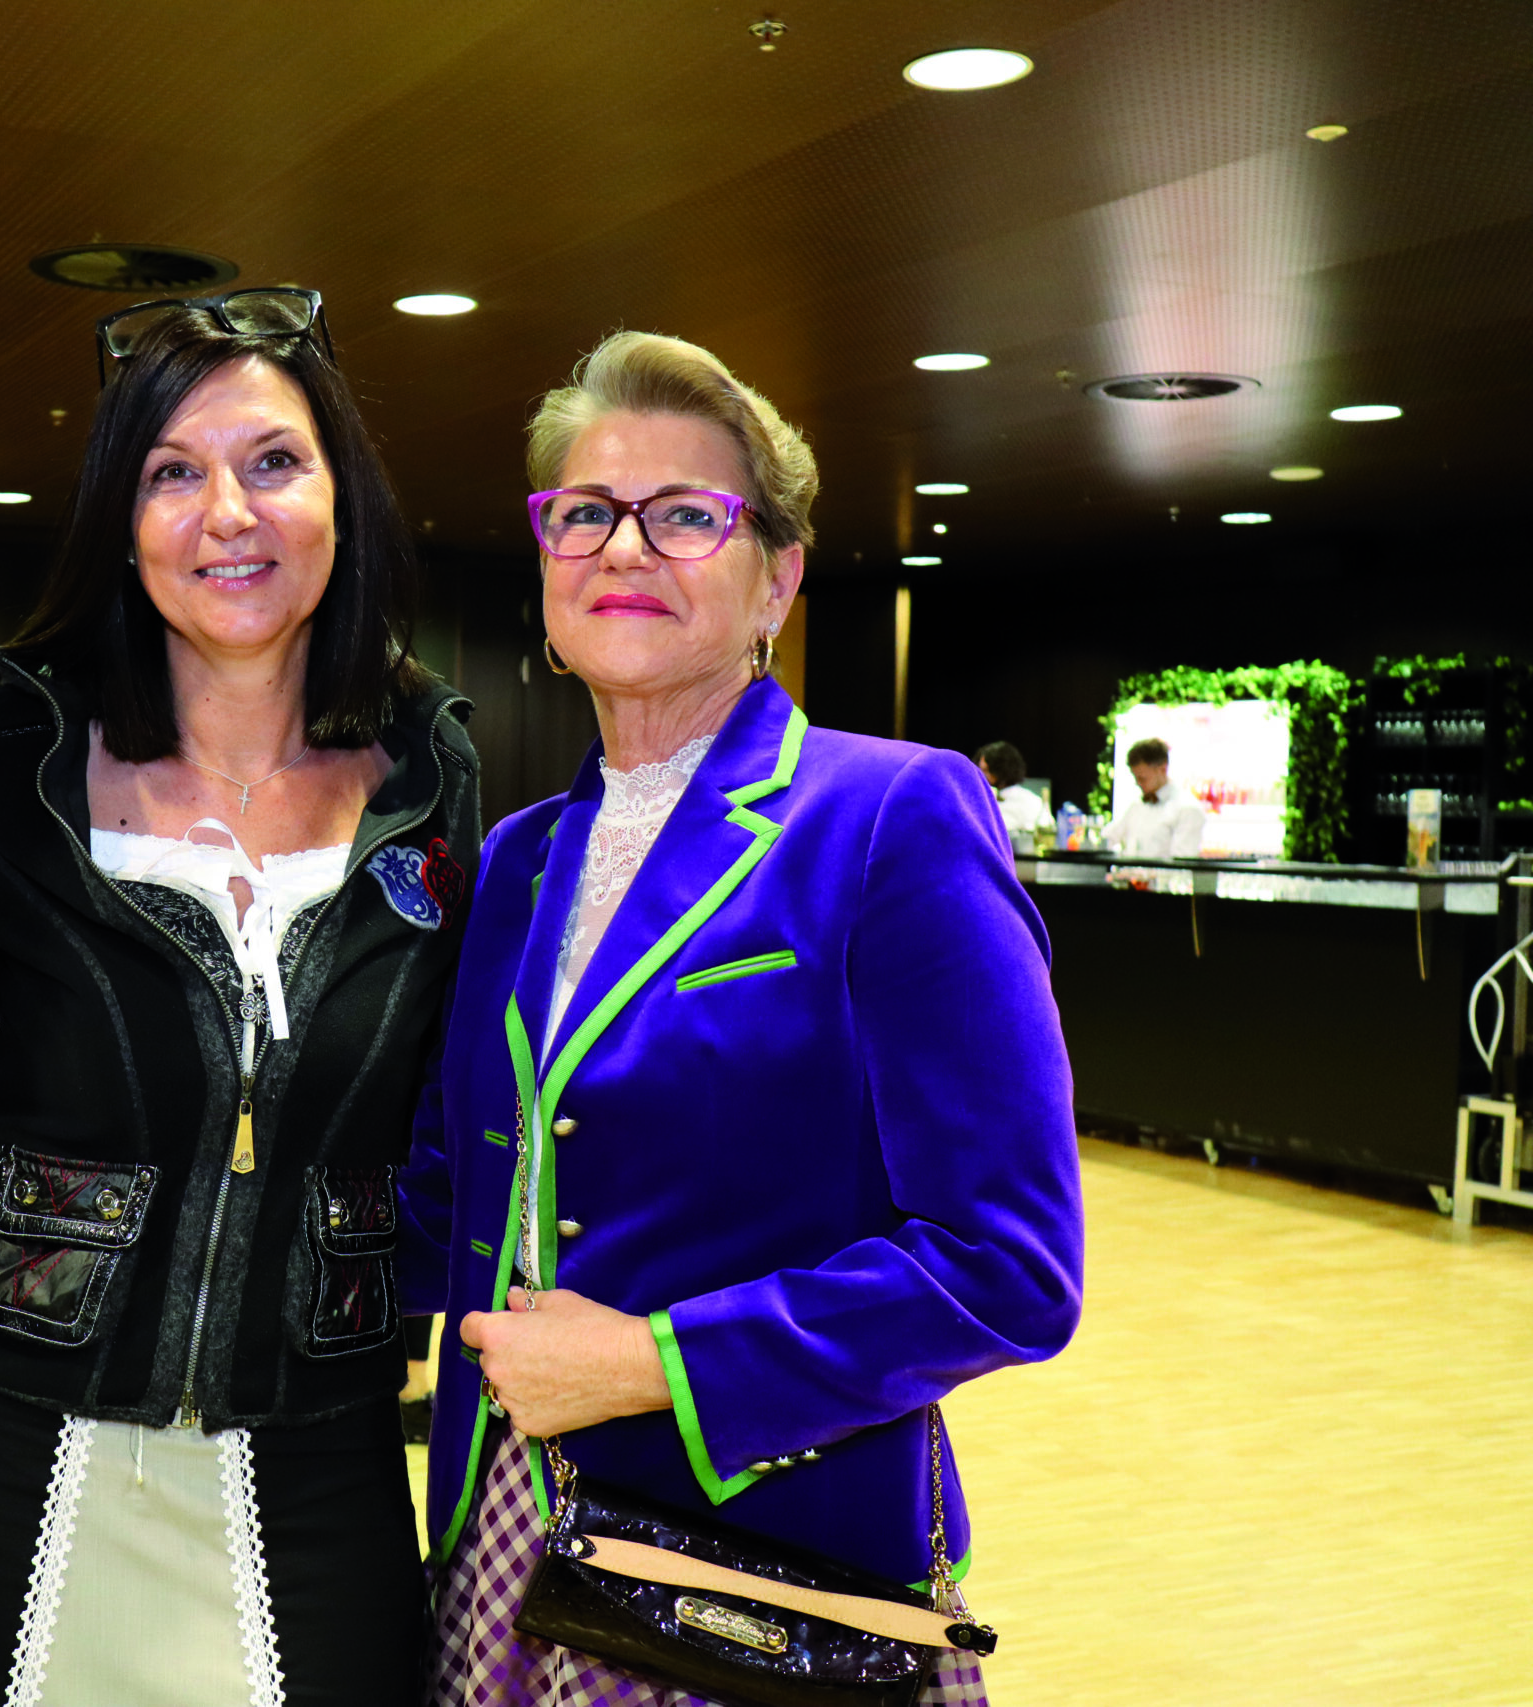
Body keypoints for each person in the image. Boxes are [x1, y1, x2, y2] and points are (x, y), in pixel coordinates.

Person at [399, 331, 1083, 1704]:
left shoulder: (892, 816)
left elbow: (1009, 1261)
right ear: (543, 562)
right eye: (584, 511)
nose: (623, 547)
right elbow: (444, 1188)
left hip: (753, 1577)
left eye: (687, 513)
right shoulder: (522, 853)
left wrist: (658, 1360)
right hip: (495, 1543)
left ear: (778, 572)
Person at [0, 287, 480, 1705]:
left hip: (319, 1442)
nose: (229, 513)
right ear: (120, 515)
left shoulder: (431, 770)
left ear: (343, 492)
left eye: (273, 461)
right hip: (7, 1432)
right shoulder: (4, 753)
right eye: (173, 472)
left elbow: (460, 1111)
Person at [1106, 736, 1207, 857]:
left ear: (1162, 769)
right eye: (1135, 777)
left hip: (1160, 876)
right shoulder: (1136, 806)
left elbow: (1182, 863)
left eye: (1142, 778)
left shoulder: (1188, 809)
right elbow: (1109, 837)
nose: (1138, 783)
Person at [975, 740, 1051, 842]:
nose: (981, 776)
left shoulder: (1029, 801)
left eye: (985, 770)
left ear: (1000, 770)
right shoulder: (979, 799)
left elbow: (1046, 830)